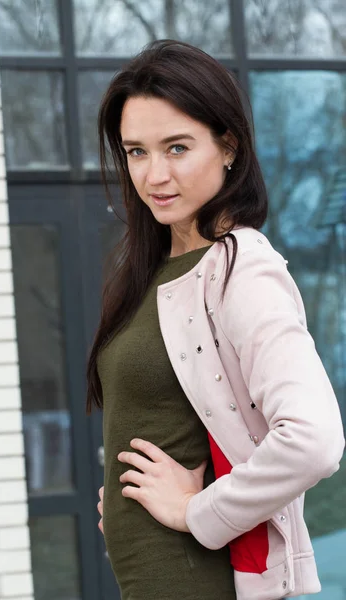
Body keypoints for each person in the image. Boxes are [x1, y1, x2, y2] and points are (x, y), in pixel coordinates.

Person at [86, 39, 345, 600]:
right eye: (136, 151)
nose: (154, 174)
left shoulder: (240, 267)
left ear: (228, 146)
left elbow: (314, 439)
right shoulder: (152, 266)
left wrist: (196, 511)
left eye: (176, 147)